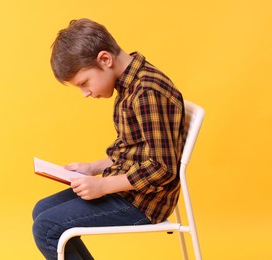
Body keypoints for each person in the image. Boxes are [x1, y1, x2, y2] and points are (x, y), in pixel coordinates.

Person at [32, 18, 185, 260]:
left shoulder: (146, 92)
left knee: (46, 227)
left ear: (105, 59)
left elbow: (162, 169)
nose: (85, 93)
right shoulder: (131, 85)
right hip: (129, 188)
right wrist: (92, 168)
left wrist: (103, 186)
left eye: (84, 83)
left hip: (143, 201)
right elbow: (135, 149)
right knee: (42, 210)